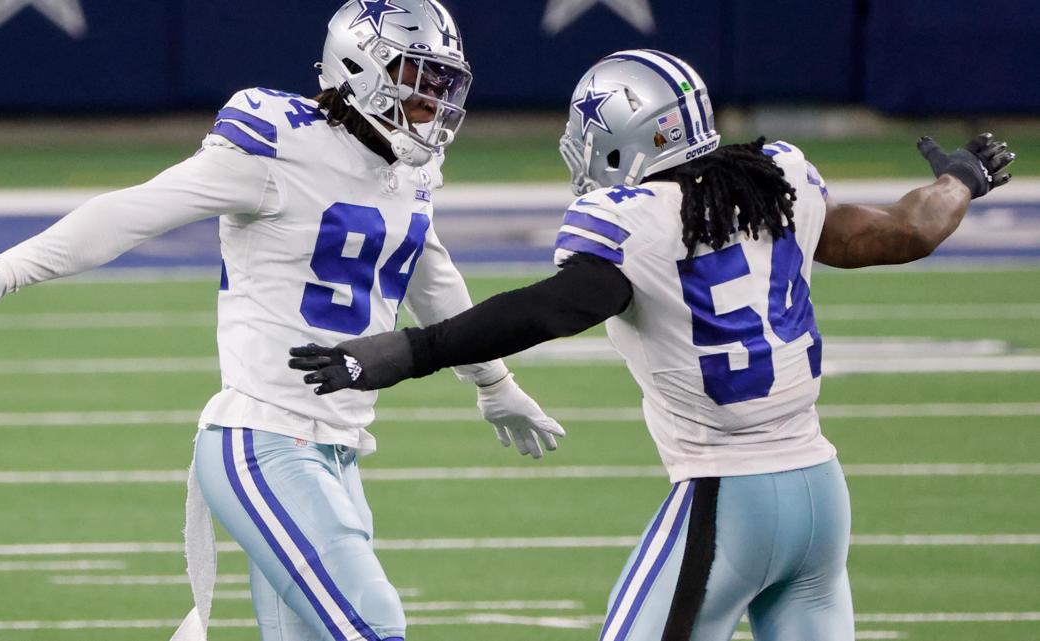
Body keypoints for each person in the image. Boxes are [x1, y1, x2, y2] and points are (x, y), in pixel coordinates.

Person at [289, 49, 1016, 641]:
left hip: (729, 498)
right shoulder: (775, 179)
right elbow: (906, 231)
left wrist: (413, 350)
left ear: (628, 135)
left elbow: (553, 309)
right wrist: (960, 179)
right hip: (821, 494)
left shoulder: (632, 220)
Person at [0, 2, 566, 640]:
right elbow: (137, 210)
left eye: (441, 81)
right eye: (416, 77)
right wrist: (10, 268)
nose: (434, 99)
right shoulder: (275, 146)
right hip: (264, 441)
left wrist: (493, 382)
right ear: (359, 70)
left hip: (336, 451)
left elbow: (431, 274)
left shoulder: (410, 169)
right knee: (374, 622)